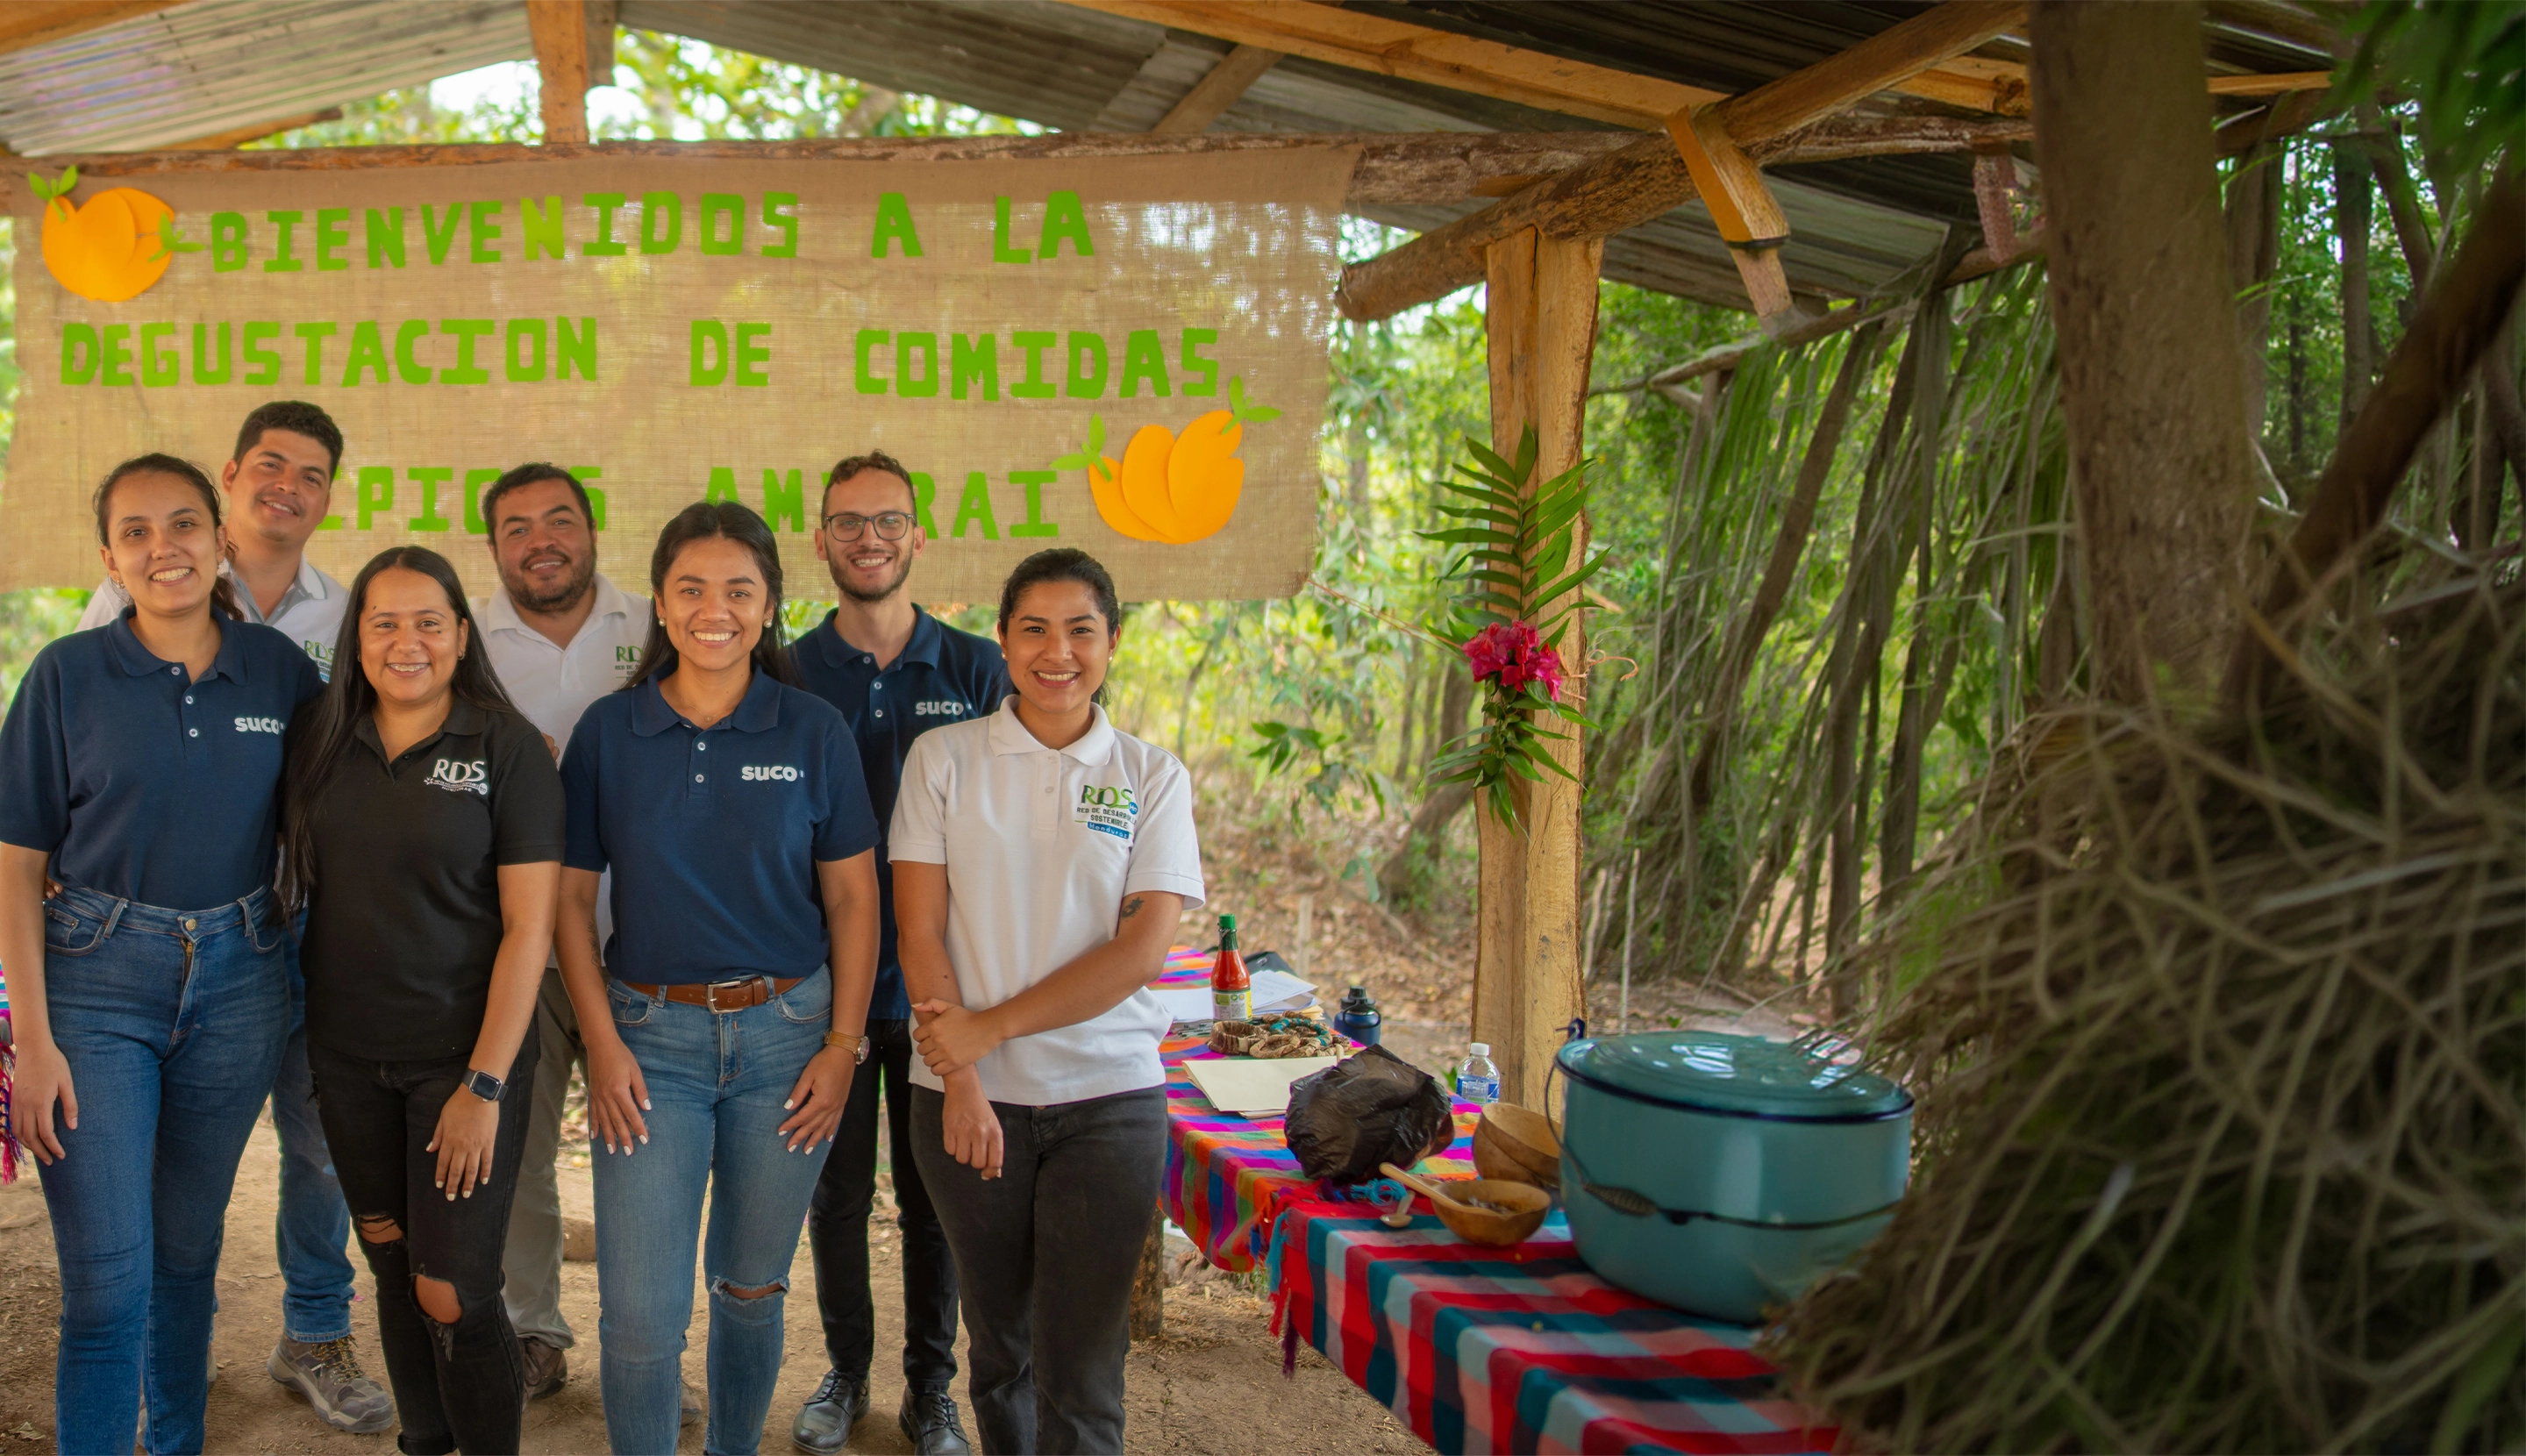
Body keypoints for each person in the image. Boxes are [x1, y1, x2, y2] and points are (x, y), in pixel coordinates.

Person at [72, 401, 391, 1434]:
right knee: (147, 1179)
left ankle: (315, 1333)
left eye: (310, 473)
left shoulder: (343, 622)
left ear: (328, 497)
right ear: (228, 482)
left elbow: (356, 764)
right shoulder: (104, 617)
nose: (286, 485)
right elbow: (76, 766)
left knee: (320, 1141)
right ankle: (159, 1347)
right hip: (140, 942)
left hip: (299, 927)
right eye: (268, 465)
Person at [0, 455, 324, 1454]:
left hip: (242, 979)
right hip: (94, 979)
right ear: (109, 557)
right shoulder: (66, 674)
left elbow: (332, 824)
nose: (162, 547)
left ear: (220, 536)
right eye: (135, 531)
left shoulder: (281, 671)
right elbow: (16, 867)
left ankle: (173, 1440)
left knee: (186, 1256)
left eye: (183, 523)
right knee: (108, 1278)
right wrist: (36, 1043)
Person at [556, 500, 882, 1456]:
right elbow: (571, 908)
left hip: (789, 1038)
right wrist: (601, 1043)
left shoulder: (812, 731)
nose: (715, 609)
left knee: (750, 1287)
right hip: (648, 1044)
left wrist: (841, 1045)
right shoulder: (608, 734)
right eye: (691, 588)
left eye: (740, 590)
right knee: (643, 1319)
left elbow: (856, 903)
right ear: (659, 602)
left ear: (771, 604)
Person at [896, 548, 1205, 1456]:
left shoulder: (1152, 777)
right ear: (1002, 639)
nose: (1056, 650)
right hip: (964, 1099)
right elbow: (920, 932)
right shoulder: (943, 759)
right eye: (1033, 627)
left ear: (1113, 641)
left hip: (1108, 1100)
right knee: (999, 1354)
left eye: (1081, 629)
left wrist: (986, 1030)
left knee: (1085, 1371)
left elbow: (1141, 950)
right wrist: (964, 1074)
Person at [281, 546, 563, 1455]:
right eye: (384, 621)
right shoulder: (318, 738)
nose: (407, 641)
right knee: (392, 1256)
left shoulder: (506, 746)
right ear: (355, 636)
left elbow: (531, 929)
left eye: (428, 621)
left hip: (463, 1061)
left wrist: (482, 1087)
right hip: (348, 1058)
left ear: (461, 633)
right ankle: (424, 1441)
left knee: (453, 1288)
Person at [785, 453, 1005, 1456]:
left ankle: (933, 1388)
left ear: (917, 536)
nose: (868, 537)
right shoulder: (786, 667)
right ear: (819, 536)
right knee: (834, 1192)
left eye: (887, 520)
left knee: (934, 1199)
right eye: (847, 521)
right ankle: (846, 1375)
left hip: (940, 987)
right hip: (825, 984)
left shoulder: (975, 669)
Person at [469, 462, 658, 1406]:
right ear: (494, 545)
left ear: (592, 528)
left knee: (650, 1156)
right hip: (523, 943)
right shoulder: (463, 635)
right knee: (517, 1148)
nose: (540, 539)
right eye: (516, 526)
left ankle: (648, 1350)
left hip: (653, 941)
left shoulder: (659, 621)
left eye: (558, 520)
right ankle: (534, 1330)